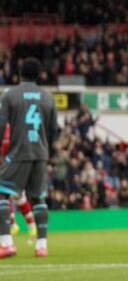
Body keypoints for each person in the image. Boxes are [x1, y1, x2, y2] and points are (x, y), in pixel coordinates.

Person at [0, 57, 59, 258]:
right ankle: (41, 246)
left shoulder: (10, 95)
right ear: (39, 74)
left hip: (18, 152)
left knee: (1, 193)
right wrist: (46, 150)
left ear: (20, 73)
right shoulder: (48, 97)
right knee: (37, 197)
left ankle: (6, 243)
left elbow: (1, 125)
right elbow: (53, 131)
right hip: (40, 153)